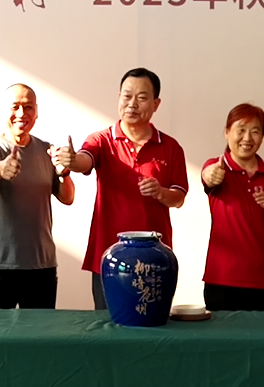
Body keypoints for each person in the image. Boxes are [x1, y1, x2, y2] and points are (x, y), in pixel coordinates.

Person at [53, 68, 188, 309]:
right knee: (107, 324)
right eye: (126, 96)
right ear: (119, 98)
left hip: (154, 258)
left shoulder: (170, 147)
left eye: (142, 97)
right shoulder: (101, 140)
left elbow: (178, 198)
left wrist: (160, 192)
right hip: (110, 257)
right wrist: (71, 161)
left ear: (156, 104)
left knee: (153, 322)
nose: (132, 104)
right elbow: (85, 160)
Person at [0, 83, 75, 308]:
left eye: (28, 107)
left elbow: (67, 197)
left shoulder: (46, 150)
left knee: (39, 331)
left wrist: (64, 172)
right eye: (15, 107)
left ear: (36, 112)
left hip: (41, 265)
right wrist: (0, 168)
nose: (21, 113)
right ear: (3, 110)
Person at [200, 103, 264, 311]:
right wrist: (210, 175)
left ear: (263, 136)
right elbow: (208, 176)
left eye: (255, 131)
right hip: (223, 278)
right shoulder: (218, 168)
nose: (247, 138)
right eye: (241, 130)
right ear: (227, 132)